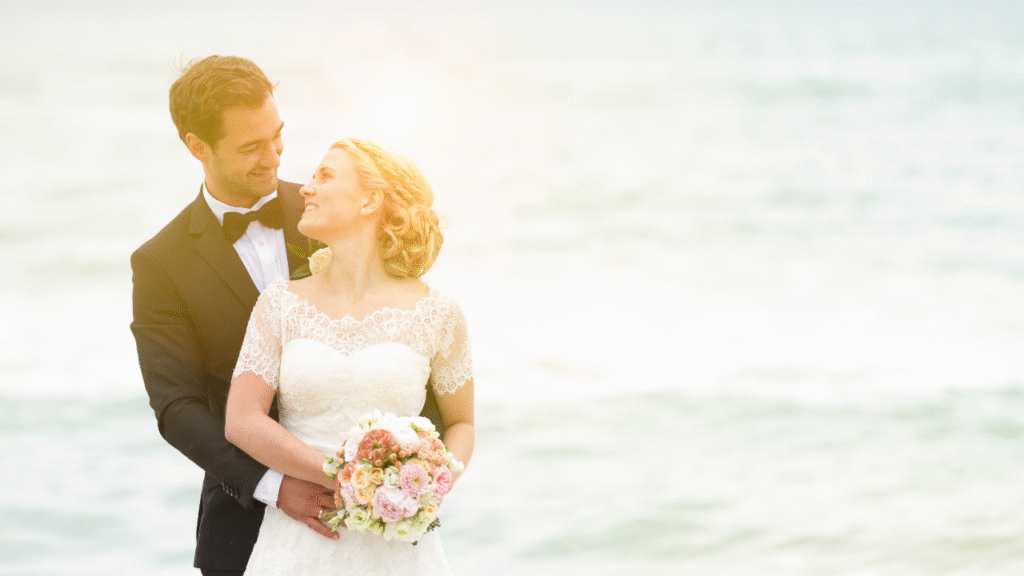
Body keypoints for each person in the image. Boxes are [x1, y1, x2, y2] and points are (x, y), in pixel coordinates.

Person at [224, 138, 475, 575]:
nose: (306, 188)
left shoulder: (439, 314)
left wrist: (431, 487)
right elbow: (242, 421)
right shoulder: (280, 303)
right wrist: (339, 478)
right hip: (299, 541)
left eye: (325, 176)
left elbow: (461, 424)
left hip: (398, 546)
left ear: (370, 200)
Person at [130, 55, 338, 576]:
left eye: (277, 136)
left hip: (365, 511)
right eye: (250, 147)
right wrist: (274, 486)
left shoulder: (333, 218)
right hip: (243, 525)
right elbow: (175, 407)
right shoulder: (160, 263)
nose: (273, 158)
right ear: (197, 147)